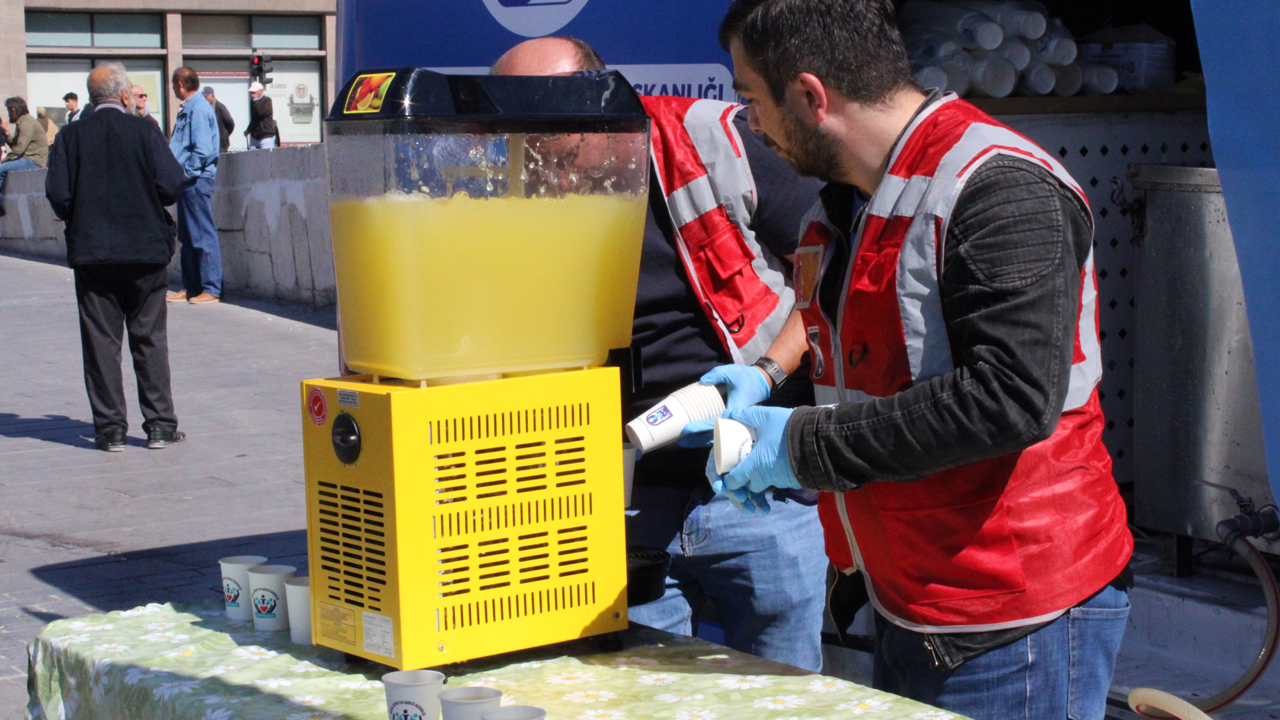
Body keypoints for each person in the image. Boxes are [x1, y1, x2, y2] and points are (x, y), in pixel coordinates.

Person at [702, 1, 1134, 718]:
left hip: (1010, 613)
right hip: (910, 595)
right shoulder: (847, 202)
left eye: (751, 99)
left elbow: (1010, 399)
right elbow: (868, 365)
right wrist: (765, 390)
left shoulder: (998, 187)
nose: (750, 124)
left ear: (809, 95)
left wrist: (798, 446)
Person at [492, 37, 831, 672]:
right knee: (642, 689)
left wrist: (765, 375)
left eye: (559, 147)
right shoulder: (517, 187)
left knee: (785, 692)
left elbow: (826, 275)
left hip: (755, 484)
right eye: (522, 144)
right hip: (623, 495)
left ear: (601, 100)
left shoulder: (710, 145)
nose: (546, 169)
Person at [44, 63, 187, 452]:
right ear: (125, 95)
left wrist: (82, 216)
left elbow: (58, 195)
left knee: (100, 342)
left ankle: (110, 430)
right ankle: (160, 426)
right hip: (145, 251)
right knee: (150, 338)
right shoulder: (145, 131)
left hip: (94, 254)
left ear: (92, 98)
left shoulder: (70, 136)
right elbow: (171, 185)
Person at [166, 67, 222, 305]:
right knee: (187, 237)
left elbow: (202, 149)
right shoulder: (189, 108)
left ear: (180, 84)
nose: (172, 89)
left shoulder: (197, 108)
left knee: (202, 235)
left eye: (173, 84)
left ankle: (211, 288)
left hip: (196, 180)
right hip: (187, 181)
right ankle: (191, 287)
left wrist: (185, 173)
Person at [0, 97, 49, 218]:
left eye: (8, 110)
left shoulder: (26, 123)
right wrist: (6, 133)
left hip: (33, 161)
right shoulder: (24, 122)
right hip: (28, 159)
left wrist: (3, 161)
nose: (8, 114)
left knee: (0, 170)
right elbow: (16, 146)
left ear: (13, 110)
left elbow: (18, 150)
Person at [246, 81, 277, 149]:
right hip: (255, 137)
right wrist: (249, 130)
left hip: (266, 136)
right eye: (251, 92)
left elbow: (261, 113)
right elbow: (254, 118)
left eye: (254, 92)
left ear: (261, 91)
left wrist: (256, 100)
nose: (252, 94)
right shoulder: (253, 102)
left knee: (266, 155)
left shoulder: (267, 100)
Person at [203, 86, 235, 152]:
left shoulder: (220, 107)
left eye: (205, 97)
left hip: (220, 144)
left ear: (212, 96)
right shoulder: (205, 108)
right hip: (209, 143)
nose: (204, 99)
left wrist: (224, 135)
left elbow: (230, 123)